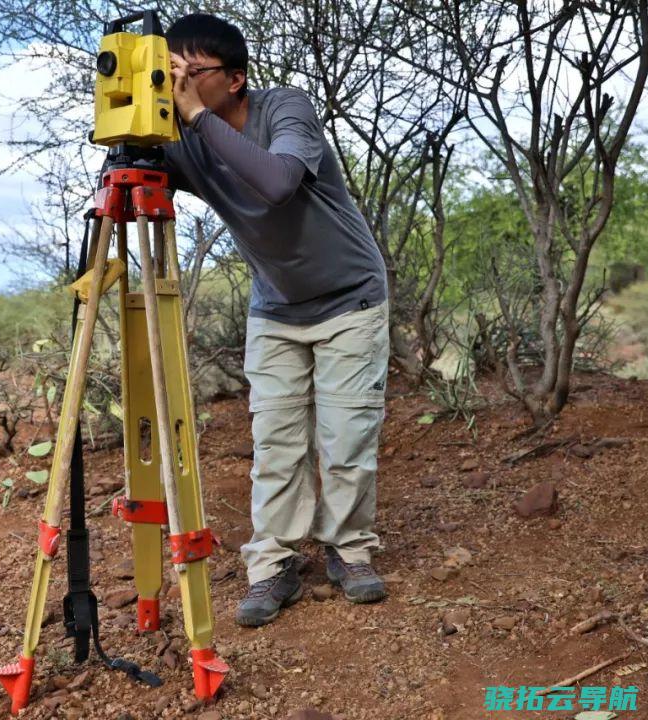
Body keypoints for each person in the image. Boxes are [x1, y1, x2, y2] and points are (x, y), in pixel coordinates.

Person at [161, 13, 391, 627]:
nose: (177, 82)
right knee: (276, 445)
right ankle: (275, 565)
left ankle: (350, 550)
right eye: (169, 71)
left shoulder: (285, 109)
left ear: (235, 79)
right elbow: (140, 179)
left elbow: (278, 182)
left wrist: (195, 119)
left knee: (345, 441)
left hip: (350, 299)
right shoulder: (186, 138)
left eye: (189, 71)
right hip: (276, 308)